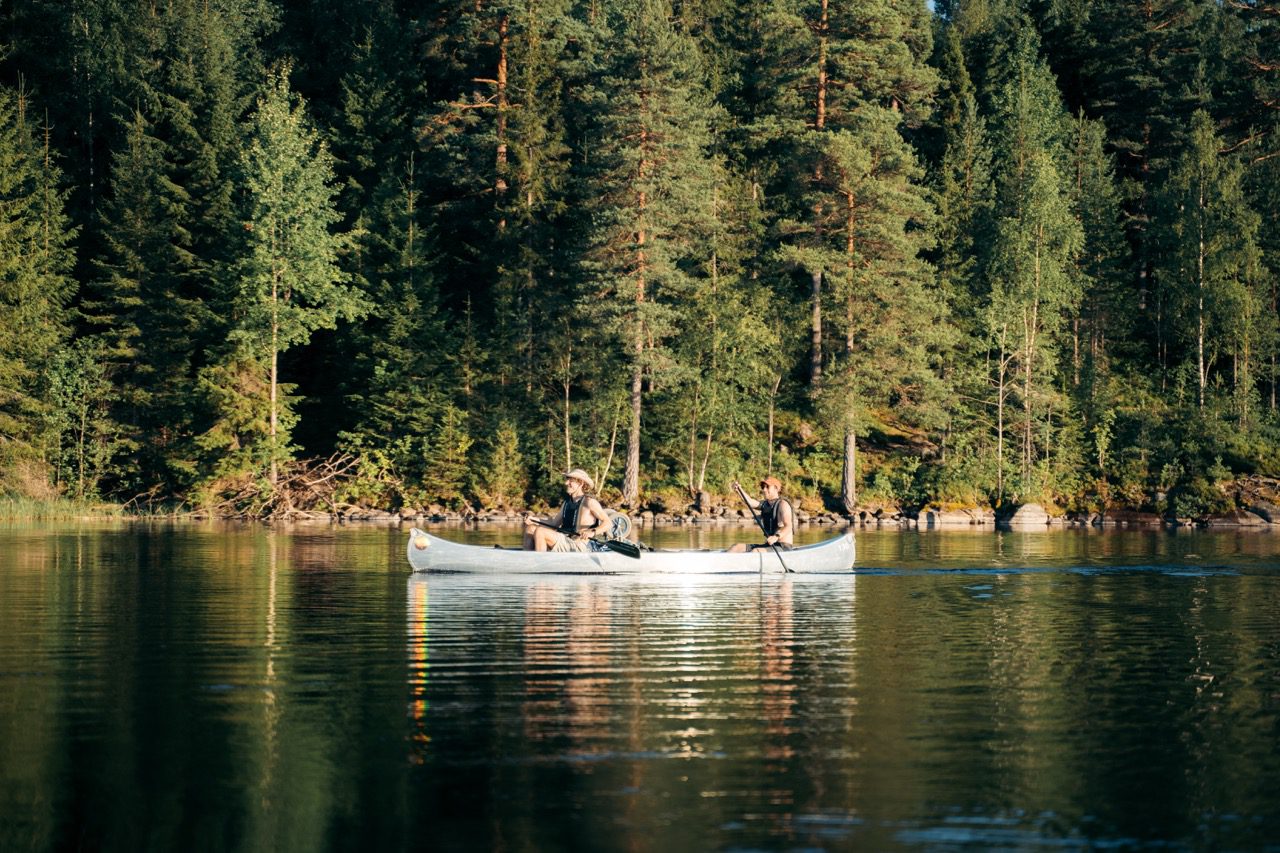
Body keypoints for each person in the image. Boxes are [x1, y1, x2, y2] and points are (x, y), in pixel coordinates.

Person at [523, 469, 613, 552]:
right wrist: (533, 520)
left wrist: (592, 532)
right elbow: (554, 524)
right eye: (567, 480)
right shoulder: (566, 503)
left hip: (578, 545)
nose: (566, 483)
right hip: (565, 540)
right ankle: (528, 559)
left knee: (540, 531)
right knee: (530, 528)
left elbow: (608, 523)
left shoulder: (590, 502)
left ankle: (539, 562)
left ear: (581, 483)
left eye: (570, 481)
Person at [727, 476, 794, 553]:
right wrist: (739, 490)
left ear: (776, 488)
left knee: (755, 551)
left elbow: (789, 526)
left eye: (767, 487)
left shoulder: (783, 504)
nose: (764, 490)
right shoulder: (765, 505)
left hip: (783, 547)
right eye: (763, 487)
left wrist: (776, 537)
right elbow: (749, 502)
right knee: (736, 547)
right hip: (769, 545)